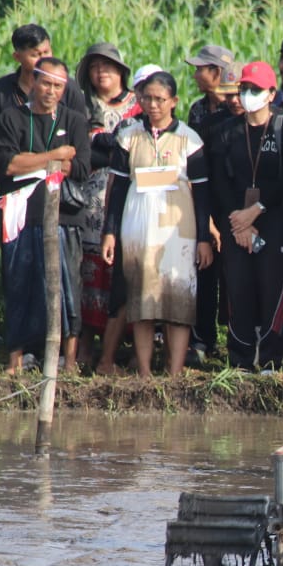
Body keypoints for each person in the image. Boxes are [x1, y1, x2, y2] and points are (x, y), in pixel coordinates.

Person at [100, 70, 213, 378]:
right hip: (138, 229)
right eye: (147, 98)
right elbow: (118, 189)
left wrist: (204, 237)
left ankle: (174, 374)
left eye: (160, 99)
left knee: (178, 302)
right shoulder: (128, 137)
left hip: (179, 233)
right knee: (142, 303)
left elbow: (202, 195)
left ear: (173, 101)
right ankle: (145, 373)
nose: (153, 105)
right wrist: (110, 232)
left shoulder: (190, 140)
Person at [0, 56, 90, 374]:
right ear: (33, 81)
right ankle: (16, 360)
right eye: (46, 83)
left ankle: (69, 361)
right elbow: (8, 164)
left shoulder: (74, 120)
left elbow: (82, 167)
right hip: (21, 214)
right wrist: (56, 156)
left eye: (58, 86)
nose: (51, 91)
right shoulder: (12, 117)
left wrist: (32, 160)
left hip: (64, 215)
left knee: (68, 287)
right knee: (19, 283)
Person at [207, 61, 283, 370]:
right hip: (236, 223)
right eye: (244, 89)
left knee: (273, 290)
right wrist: (239, 220)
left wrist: (256, 211)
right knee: (239, 290)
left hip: (274, 219)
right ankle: (240, 362)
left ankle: (271, 361)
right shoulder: (227, 131)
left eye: (255, 90)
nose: (248, 95)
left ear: (271, 93)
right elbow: (219, 180)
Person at [75, 42, 139, 374]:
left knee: (125, 272)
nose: (101, 73)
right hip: (89, 203)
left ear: (121, 71)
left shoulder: (139, 104)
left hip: (127, 200)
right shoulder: (81, 105)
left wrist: (106, 148)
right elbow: (81, 150)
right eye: (95, 66)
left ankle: (129, 348)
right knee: (89, 273)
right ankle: (86, 344)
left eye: (108, 66)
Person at [0, 24, 87, 157]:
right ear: (17, 57)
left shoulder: (69, 88)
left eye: (46, 52)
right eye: (35, 55)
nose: (43, 60)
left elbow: (81, 138)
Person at [183, 43, 235, 131]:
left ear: (217, 72)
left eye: (199, 69)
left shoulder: (235, 108)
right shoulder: (197, 108)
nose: (195, 76)